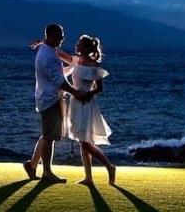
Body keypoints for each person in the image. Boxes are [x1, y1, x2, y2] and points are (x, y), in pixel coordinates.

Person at [23, 23, 92, 183]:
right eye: (60, 35)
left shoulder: (49, 49)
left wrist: (75, 66)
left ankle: (32, 165)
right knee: (49, 137)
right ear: (52, 35)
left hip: (49, 98)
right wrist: (77, 93)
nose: (63, 38)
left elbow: (63, 68)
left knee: (47, 135)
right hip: (49, 99)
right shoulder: (47, 55)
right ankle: (46, 172)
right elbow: (58, 80)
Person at [44, 34, 116, 186]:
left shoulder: (94, 66)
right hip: (76, 101)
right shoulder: (75, 60)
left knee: (85, 143)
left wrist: (86, 95)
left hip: (87, 104)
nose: (76, 45)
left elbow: (99, 88)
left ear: (85, 47)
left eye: (79, 44)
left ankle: (109, 166)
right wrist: (42, 44)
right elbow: (57, 52)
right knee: (82, 141)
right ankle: (89, 177)